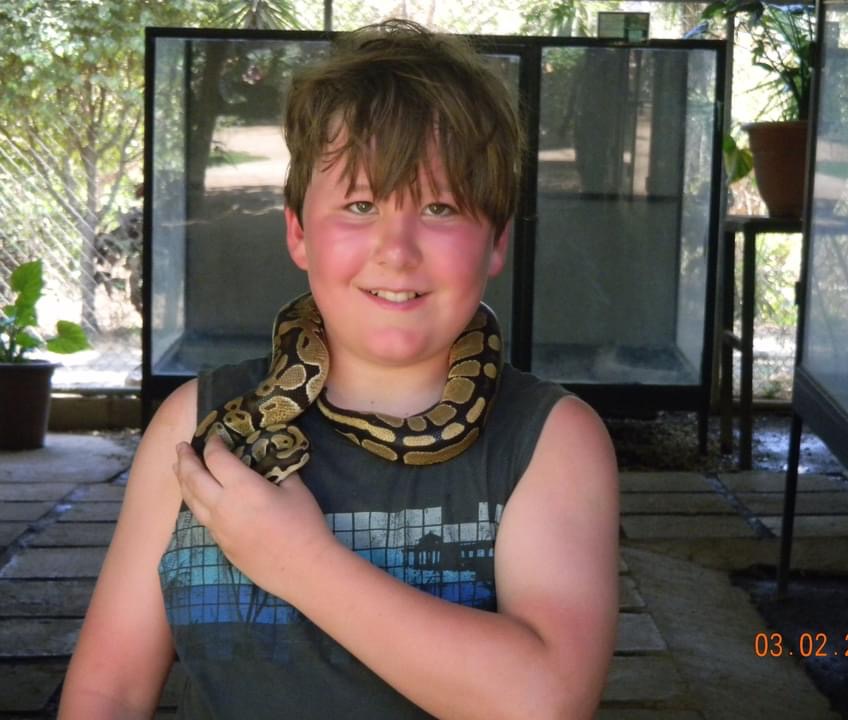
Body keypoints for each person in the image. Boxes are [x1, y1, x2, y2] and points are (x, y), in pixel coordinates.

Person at [59, 20, 619, 719]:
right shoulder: (194, 423)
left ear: (497, 241)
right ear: (298, 231)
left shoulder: (550, 442)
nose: (397, 249)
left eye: (440, 207)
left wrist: (299, 562)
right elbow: (108, 689)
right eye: (360, 204)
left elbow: (545, 704)